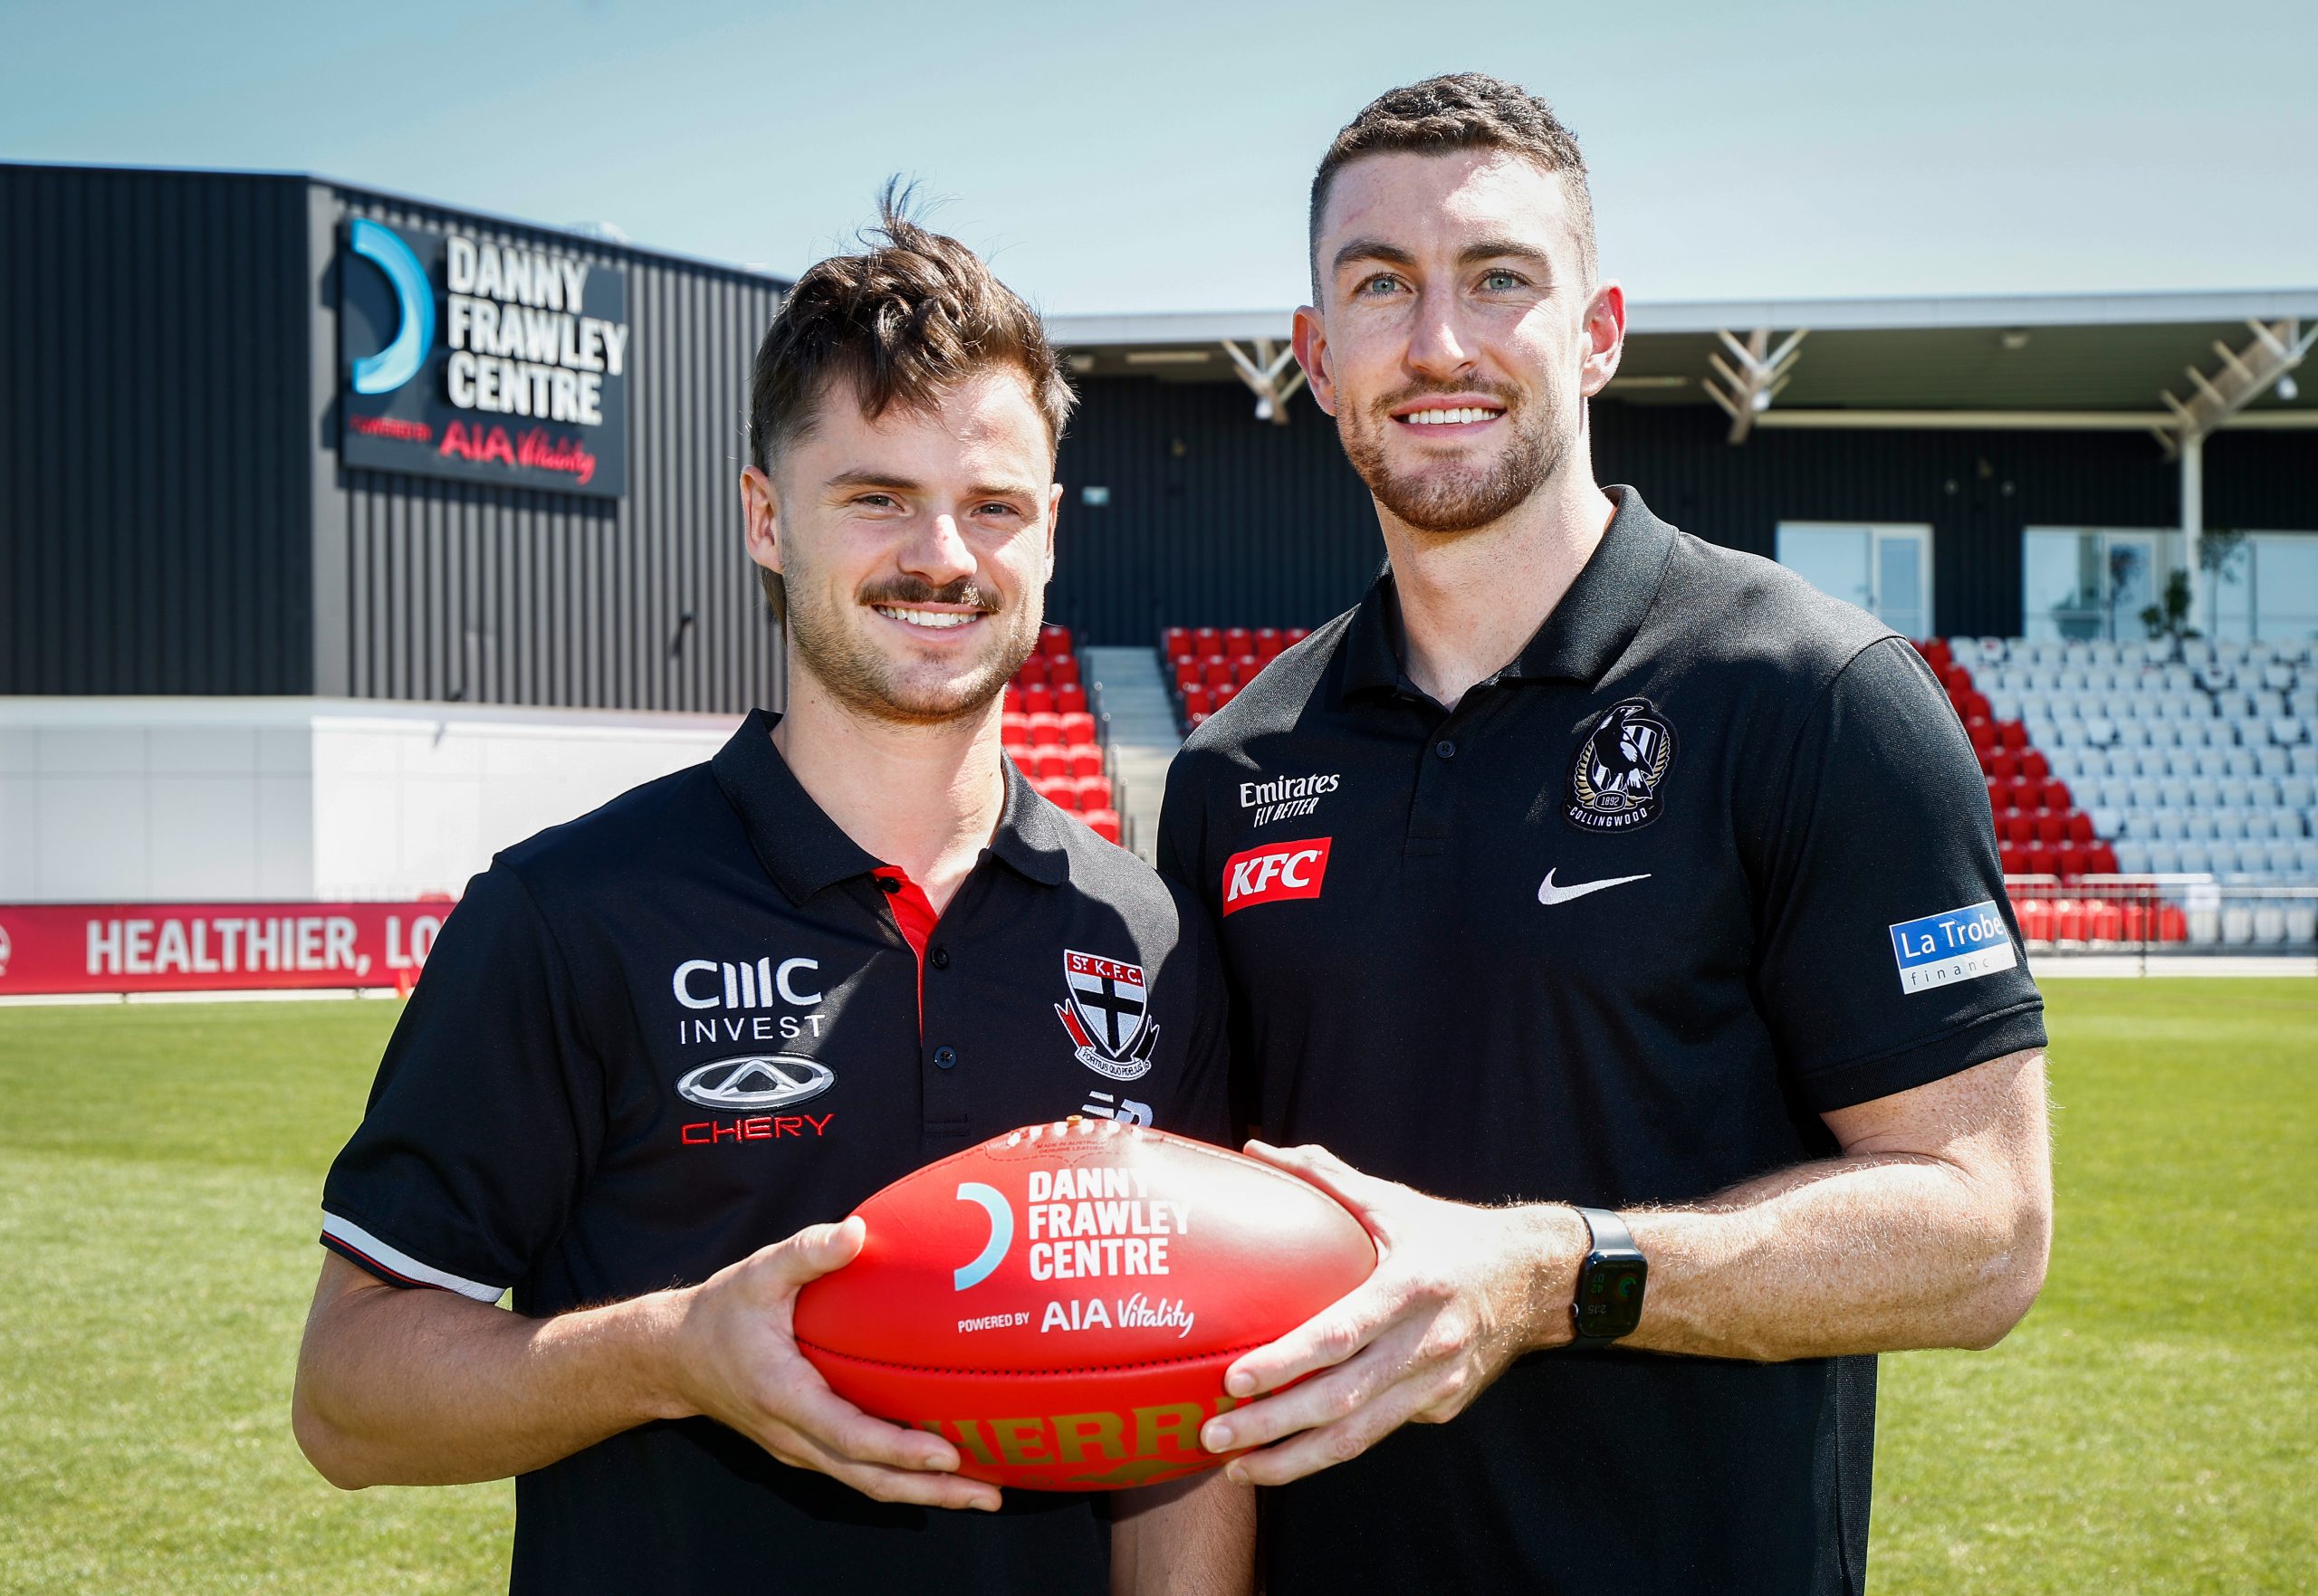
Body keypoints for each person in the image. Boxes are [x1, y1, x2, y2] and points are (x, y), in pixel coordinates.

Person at [1158, 75, 2054, 1596]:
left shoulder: (1816, 698)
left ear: (1599, 329)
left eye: (1499, 277)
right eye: (1381, 286)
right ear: (1318, 357)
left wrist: (1552, 1275)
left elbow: (1984, 1234)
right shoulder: (1234, 767)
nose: (1439, 340)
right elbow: (1194, 1271)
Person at [293, 193, 1252, 1596]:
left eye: (992, 506)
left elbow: (1188, 1409)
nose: (941, 554)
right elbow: (346, 1401)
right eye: (875, 496)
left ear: (1049, 533)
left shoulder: (1147, 936)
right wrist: (672, 1352)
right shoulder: (569, 911)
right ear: (765, 517)